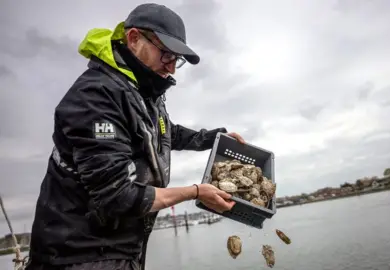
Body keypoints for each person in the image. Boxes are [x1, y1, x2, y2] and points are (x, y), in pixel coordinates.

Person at [25, 3, 245, 270]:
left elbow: (166, 133)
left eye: (178, 60)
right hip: (79, 256)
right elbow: (119, 196)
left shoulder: (144, 92)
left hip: (123, 248)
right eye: (167, 55)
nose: (172, 68)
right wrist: (195, 192)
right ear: (133, 38)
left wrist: (216, 138)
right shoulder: (96, 97)